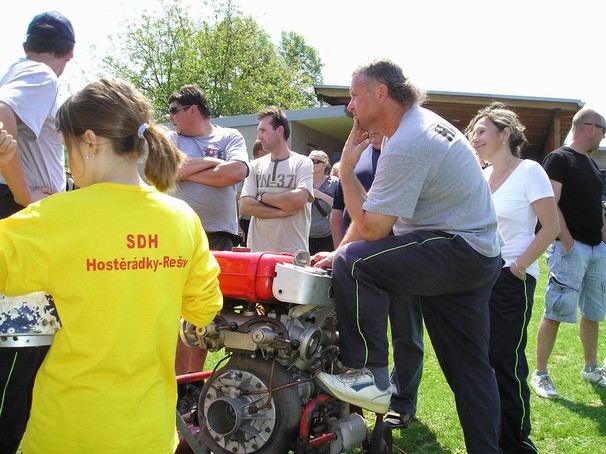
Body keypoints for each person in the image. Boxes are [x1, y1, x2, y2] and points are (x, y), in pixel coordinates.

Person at [0, 78, 222, 453]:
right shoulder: (182, 218)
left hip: (68, 434)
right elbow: (204, 309)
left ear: (89, 141)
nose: (68, 164)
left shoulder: (50, 220)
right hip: (149, 434)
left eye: (67, 149)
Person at [313, 59, 502, 454]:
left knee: (356, 264)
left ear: (380, 93)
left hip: (456, 248)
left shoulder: (408, 142)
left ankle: (372, 376)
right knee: (470, 370)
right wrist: (340, 250)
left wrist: (346, 173)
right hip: (476, 255)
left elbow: (371, 230)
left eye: (353, 96)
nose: (349, 107)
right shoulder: (417, 125)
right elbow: (377, 221)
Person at [0, 11, 75, 453]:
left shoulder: (17, 67)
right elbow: (2, 118)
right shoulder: (40, 75)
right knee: (22, 342)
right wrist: (27, 194)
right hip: (19, 214)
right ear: (67, 54)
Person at [466, 102, 559, 453]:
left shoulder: (529, 170)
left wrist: (518, 268)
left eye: (481, 131)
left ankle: (516, 443)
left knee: (505, 360)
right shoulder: (482, 176)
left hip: (511, 278)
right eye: (473, 132)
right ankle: (490, 439)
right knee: (482, 362)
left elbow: (550, 226)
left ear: (505, 134)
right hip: (480, 279)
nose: (474, 138)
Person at [329, 131, 424, 428]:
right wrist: (339, 252)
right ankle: (355, 396)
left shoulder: (404, 153)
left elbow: (381, 219)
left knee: (406, 334)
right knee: (349, 330)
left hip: (399, 260)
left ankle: (403, 401)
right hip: (357, 262)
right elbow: (339, 210)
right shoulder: (356, 158)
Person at [167, 84, 248, 412]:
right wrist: (207, 166)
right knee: (173, 313)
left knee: (202, 313)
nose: (170, 117)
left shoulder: (230, 137)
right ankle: (175, 385)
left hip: (218, 237)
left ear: (193, 109)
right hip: (176, 235)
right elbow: (170, 169)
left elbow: (236, 172)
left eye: (174, 110)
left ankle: (192, 383)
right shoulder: (170, 139)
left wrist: (189, 169)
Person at [531, 108, 606, 399]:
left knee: (593, 312)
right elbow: (550, 204)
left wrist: (602, 242)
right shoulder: (559, 159)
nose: (603, 135)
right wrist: (567, 239)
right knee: (556, 311)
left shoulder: (589, 163)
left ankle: (591, 367)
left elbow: (597, 209)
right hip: (570, 249)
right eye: (603, 130)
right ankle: (541, 374)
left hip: (596, 249)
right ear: (590, 127)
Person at [240, 106, 314, 254]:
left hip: (292, 254)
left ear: (279, 131)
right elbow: (246, 205)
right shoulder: (254, 166)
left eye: (263, 131)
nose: (259, 137)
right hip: (258, 255)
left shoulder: (302, 163)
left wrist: (262, 197)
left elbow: (298, 200)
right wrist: (281, 211)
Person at [308, 149, 338, 254]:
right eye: (309, 160)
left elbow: (341, 206)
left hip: (327, 236)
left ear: (324, 165)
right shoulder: (302, 181)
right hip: (306, 236)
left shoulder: (334, 183)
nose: (311, 163)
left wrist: (320, 195)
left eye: (315, 161)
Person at [238, 139, 268, 242]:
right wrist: (238, 226)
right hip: (246, 222)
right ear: (261, 152)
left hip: (263, 220)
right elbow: (235, 199)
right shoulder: (247, 170)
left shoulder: (265, 170)